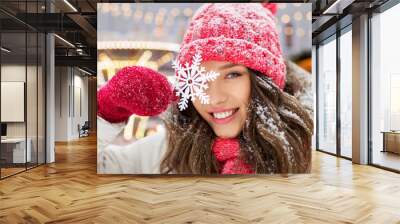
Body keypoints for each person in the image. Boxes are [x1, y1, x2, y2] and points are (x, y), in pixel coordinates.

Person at [97, 3, 313, 175]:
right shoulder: (169, 150)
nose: (214, 98)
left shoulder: (313, 150)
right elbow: (97, 169)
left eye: (232, 74)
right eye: (200, 76)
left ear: (265, 82)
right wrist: (106, 111)